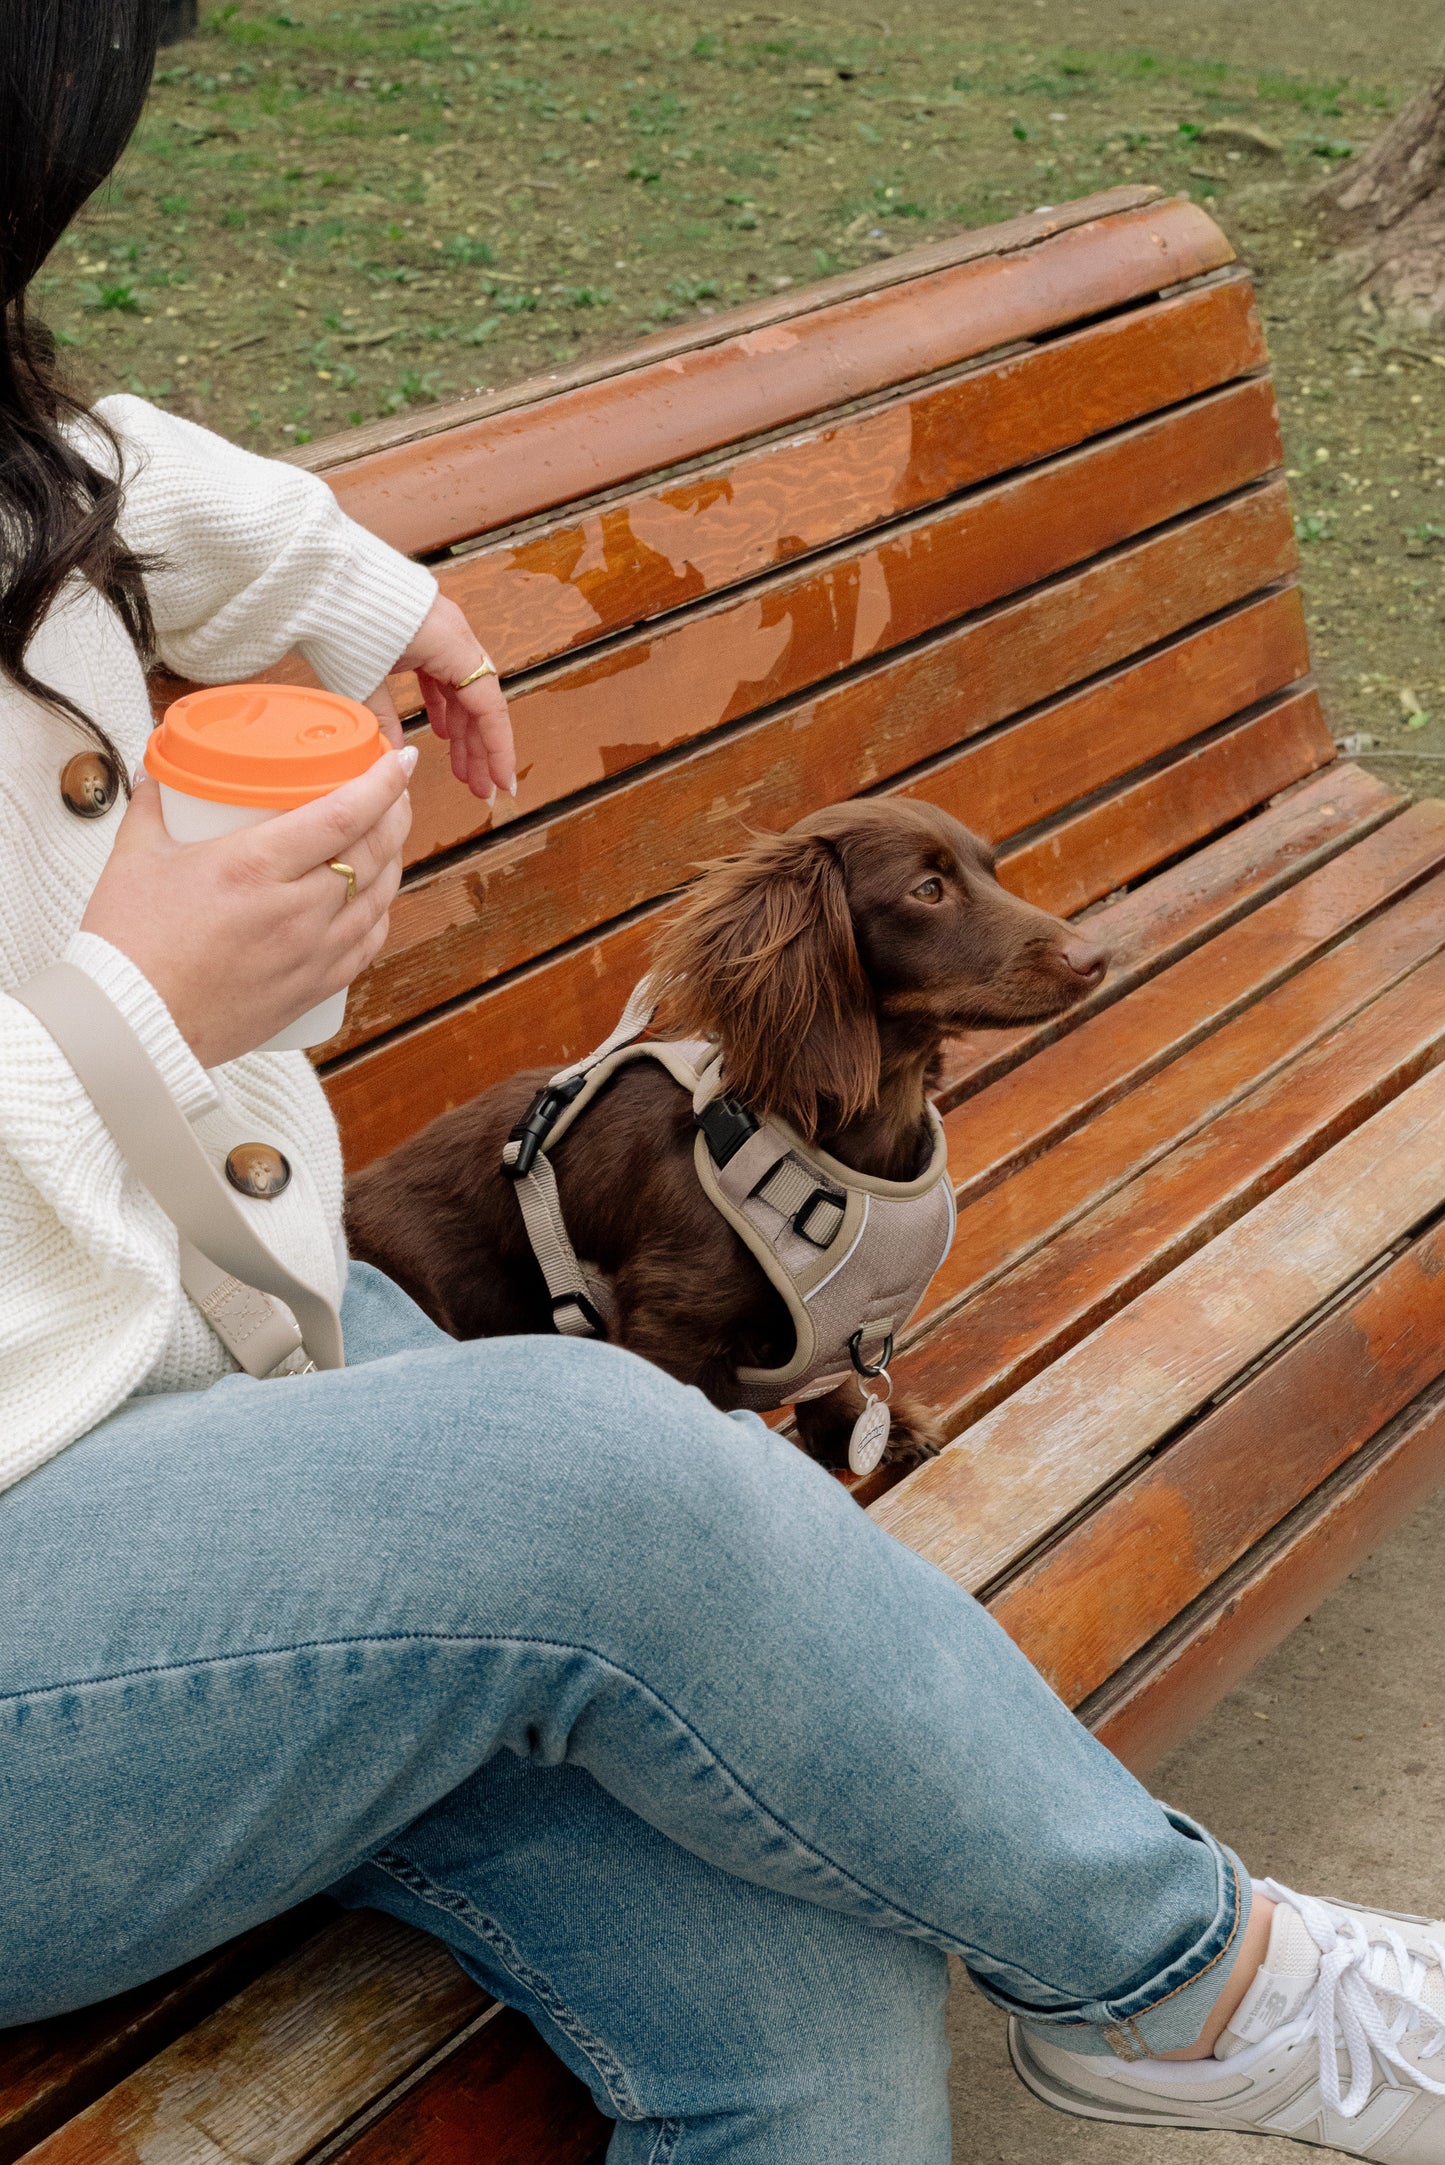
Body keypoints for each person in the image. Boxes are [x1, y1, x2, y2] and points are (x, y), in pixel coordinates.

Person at [2, 6, 1441, 2160]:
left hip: (232, 1366)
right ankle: (1195, 1979)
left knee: (815, 1967)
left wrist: (346, 584)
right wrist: (133, 1006)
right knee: (596, 1465)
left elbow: (72, 466)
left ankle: (1182, 1987)